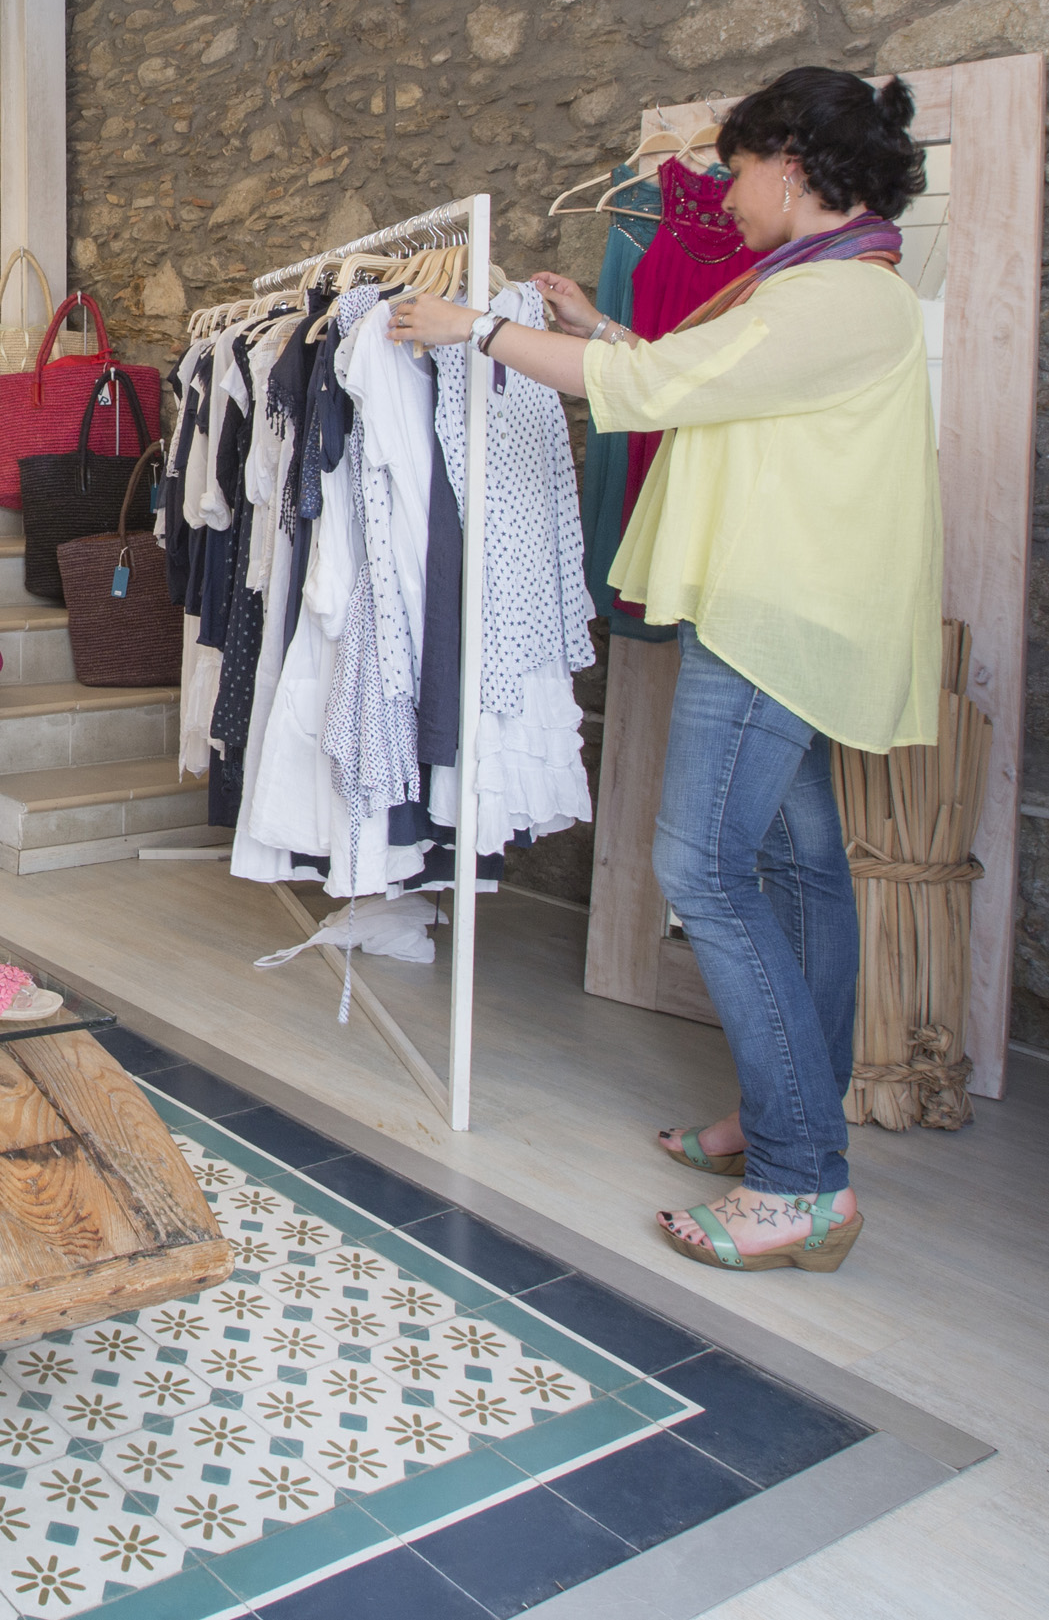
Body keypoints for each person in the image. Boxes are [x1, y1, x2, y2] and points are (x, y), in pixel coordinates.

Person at [385, 67, 936, 1275]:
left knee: (703, 869)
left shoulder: (836, 297)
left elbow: (650, 397)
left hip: (773, 615)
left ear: (788, 164)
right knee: (798, 872)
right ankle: (790, 1114)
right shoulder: (830, 287)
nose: (726, 201)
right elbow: (709, 383)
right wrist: (596, 328)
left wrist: (477, 330)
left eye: (734, 174)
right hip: (785, 610)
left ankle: (803, 1182)